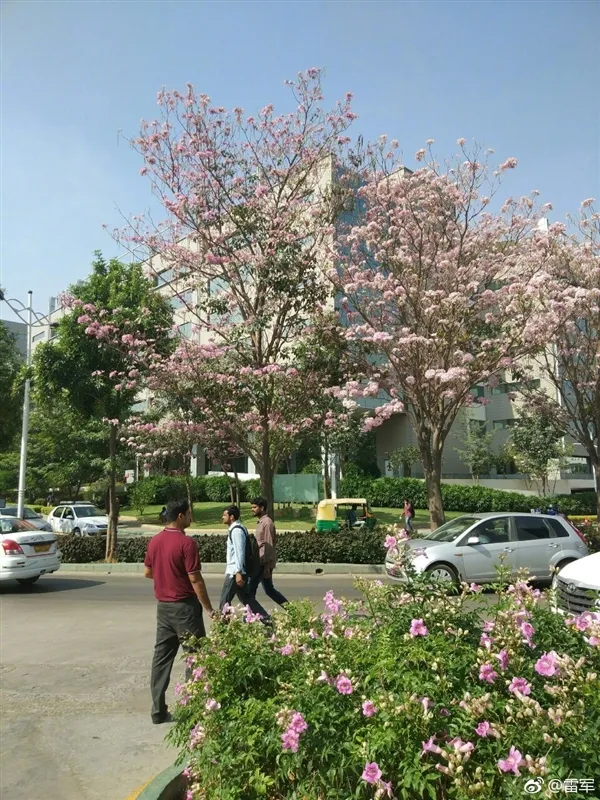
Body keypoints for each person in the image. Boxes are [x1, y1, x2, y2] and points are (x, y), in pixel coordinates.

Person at [144, 498, 216, 725]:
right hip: (185, 607)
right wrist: (209, 608)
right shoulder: (186, 544)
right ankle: (194, 711)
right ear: (180, 516)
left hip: (163, 608)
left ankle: (157, 710)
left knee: (161, 659)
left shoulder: (155, 541)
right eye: (189, 513)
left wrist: (167, 578)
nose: (191, 516)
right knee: (195, 657)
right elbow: (195, 579)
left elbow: (148, 572)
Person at [219, 505, 269, 619]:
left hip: (235, 572)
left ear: (231, 517)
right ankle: (266, 619)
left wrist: (238, 572)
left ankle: (222, 631)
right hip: (237, 571)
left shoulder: (236, 531)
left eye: (224, 515)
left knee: (224, 602)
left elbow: (239, 552)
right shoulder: (236, 528)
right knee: (247, 600)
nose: (222, 517)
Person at [248, 497, 288, 608]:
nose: (252, 509)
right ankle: (292, 610)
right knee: (269, 590)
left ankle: (253, 618)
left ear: (262, 508)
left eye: (255, 507)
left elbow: (268, 546)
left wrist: (266, 567)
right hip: (261, 562)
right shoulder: (261, 522)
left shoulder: (267, 523)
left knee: (249, 592)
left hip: (263, 563)